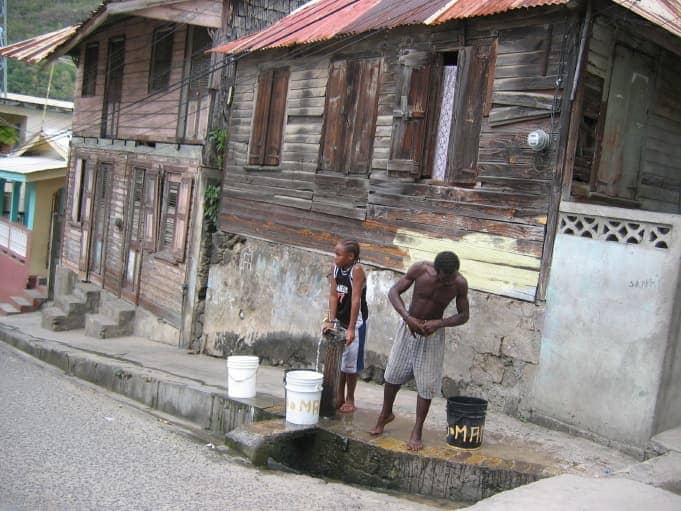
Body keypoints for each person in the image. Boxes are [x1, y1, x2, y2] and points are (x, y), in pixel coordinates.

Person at [370, 251, 469, 451]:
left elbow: (464, 315)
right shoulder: (420, 270)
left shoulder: (459, 283)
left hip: (432, 336)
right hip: (408, 328)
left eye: (452, 277)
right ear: (436, 270)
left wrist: (439, 323)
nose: (448, 281)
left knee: (426, 385)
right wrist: (408, 318)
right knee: (392, 375)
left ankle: (417, 429)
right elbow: (393, 293)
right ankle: (385, 414)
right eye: (445, 277)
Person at [322, 239, 368, 414]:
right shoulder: (335, 269)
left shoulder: (356, 271)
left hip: (356, 321)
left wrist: (351, 329)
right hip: (340, 319)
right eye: (335, 253)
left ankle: (350, 398)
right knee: (341, 360)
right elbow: (333, 296)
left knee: (351, 363)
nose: (335, 257)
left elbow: (355, 300)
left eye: (338, 254)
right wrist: (330, 320)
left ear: (351, 257)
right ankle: (339, 396)